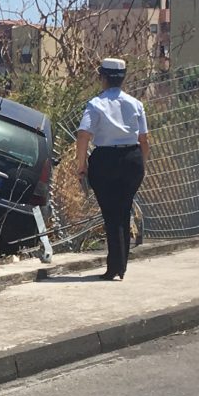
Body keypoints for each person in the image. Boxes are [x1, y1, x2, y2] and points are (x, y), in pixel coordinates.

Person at [75, 58, 150, 281]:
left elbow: (83, 134)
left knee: (110, 214)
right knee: (124, 210)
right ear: (123, 78)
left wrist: (81, 164)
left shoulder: (96, 104)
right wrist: (142, 164)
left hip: (105, 160)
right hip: (132, 158)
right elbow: (144, 139)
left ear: (103, 77)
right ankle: (121, 265)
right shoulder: (135, 104)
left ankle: (114, 266)